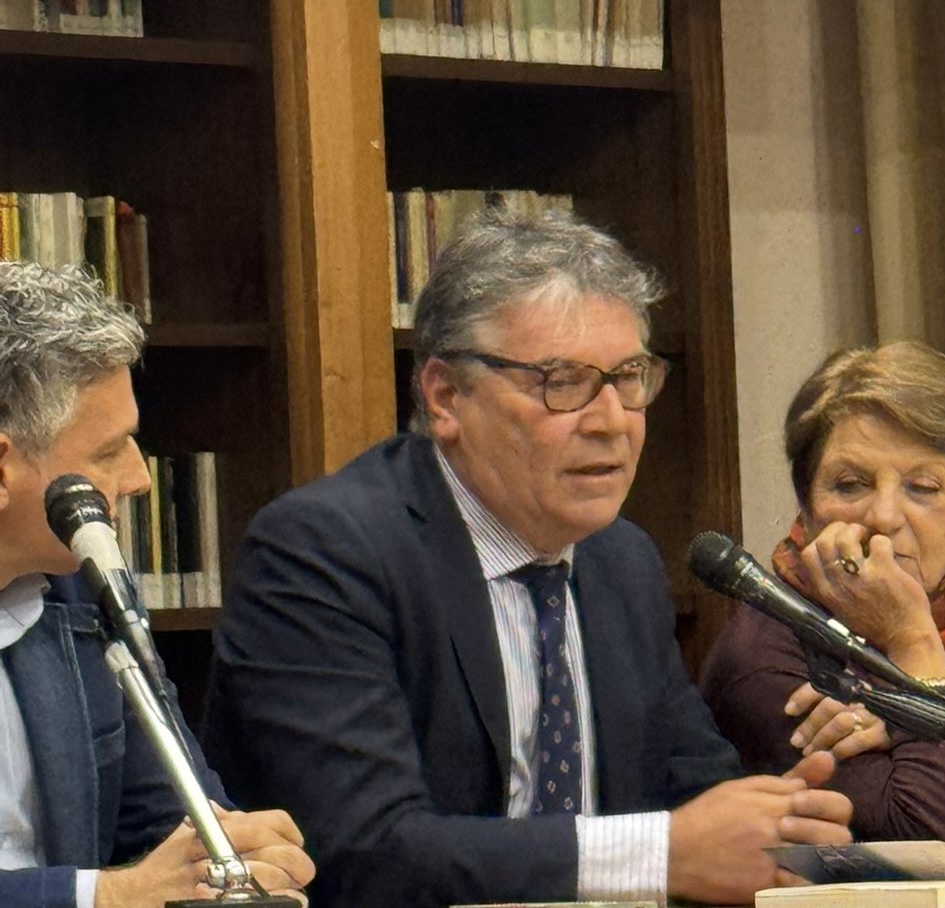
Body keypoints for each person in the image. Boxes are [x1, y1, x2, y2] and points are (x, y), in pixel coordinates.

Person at [203, 206, 852, 908]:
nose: (612, 421)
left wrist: (785, 822)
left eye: (629, 377)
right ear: (446, 397)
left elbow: (693, 794)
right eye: (562, 382)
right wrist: (661, 854)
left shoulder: (622, 562)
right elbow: (362, 851)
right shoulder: (324, 552)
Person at [0, 260, 315, 908]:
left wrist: (234, 859)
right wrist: (106, 897)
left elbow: (175, 819)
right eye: (107, 451)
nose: (140, 479)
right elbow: (129, 889)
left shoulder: (84, 587)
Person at [700, 340, 945, 854]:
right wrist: (912, 641)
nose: (884, 516)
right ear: (807, 507)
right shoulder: (766, 655)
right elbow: (939, 847)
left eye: (922, 487)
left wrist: (906, 724)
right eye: (850, 485)